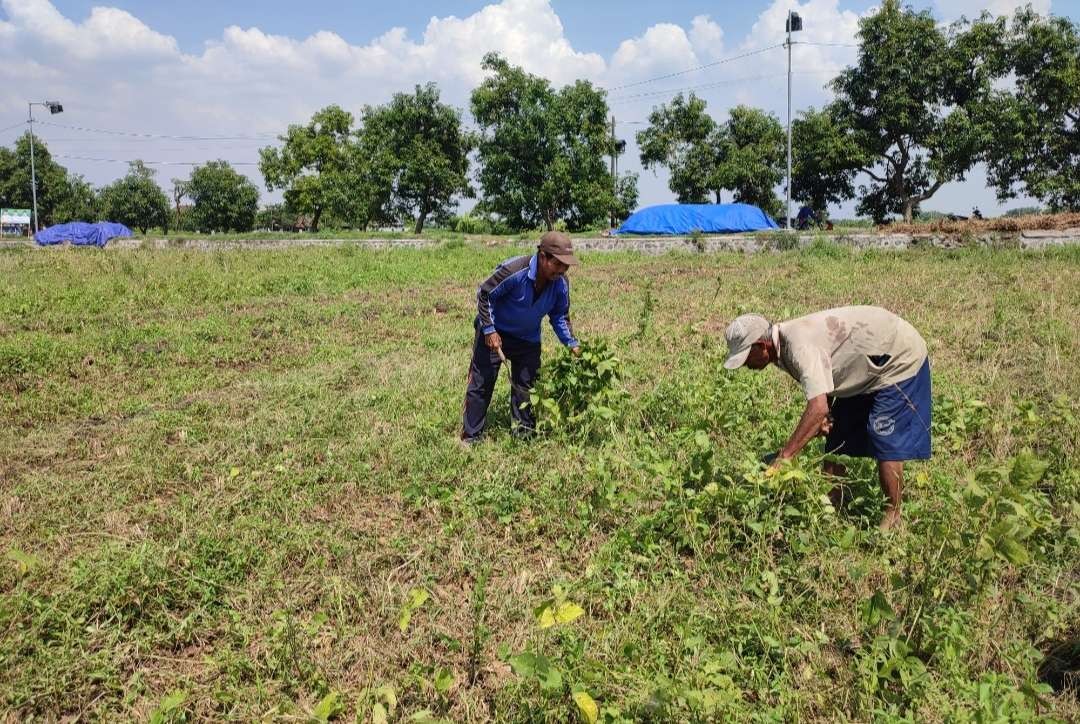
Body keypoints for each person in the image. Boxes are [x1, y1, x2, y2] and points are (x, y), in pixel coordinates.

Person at [723, 306, 932, 530]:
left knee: (884, 437)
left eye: (746, 357)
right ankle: (831, 509)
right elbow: (827, 380)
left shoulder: (798, 346)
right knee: (836, 441)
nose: (746, 365)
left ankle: (894, 517)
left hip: (896, 357)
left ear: (761, 346)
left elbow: (817, 407)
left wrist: (784, 457)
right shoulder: (782, 348)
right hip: (863, 364)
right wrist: (825, 416)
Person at [461, 231, 582, 443]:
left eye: (566, 266)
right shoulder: (515, 271)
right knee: (482, 384)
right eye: (558, 264)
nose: (562, 270)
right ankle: (471, 437)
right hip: (495, 333)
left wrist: (572, 344)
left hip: (527, 339)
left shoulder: (560, 284)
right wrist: (489, 330)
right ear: (543, 256)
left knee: (526, 387)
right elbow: (484, 294)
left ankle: (524, 434)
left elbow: (560, 316)